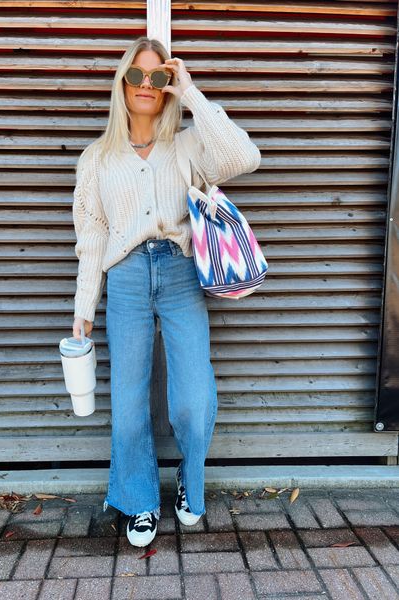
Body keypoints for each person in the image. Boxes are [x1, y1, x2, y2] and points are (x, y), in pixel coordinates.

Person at [71, 36, 261, 547]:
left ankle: (189, 482)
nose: (147, 86)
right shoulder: (96, 158)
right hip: (128, 278)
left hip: (180, 274)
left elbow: (245, 156)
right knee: (129, 403)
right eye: (137, 76)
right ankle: (138, 500)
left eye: (158, 77)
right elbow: (90, 238)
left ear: (167, 84)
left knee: (193, 400)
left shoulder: (188, 143)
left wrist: (193, 93)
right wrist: (83, 309)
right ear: (122, 84)